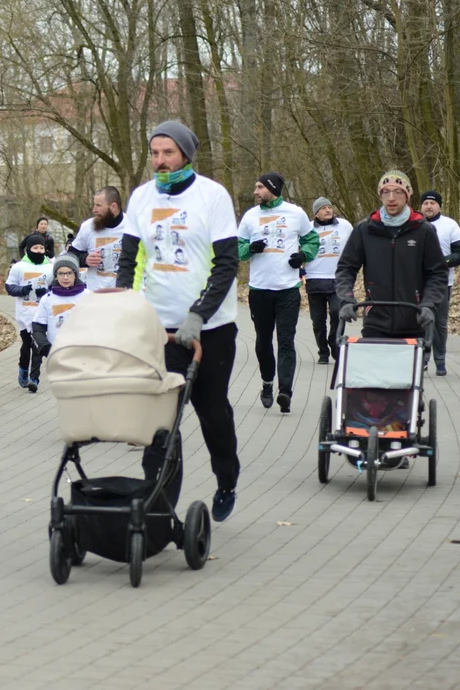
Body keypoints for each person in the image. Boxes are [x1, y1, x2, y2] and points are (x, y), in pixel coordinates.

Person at [116, 119, 241, 523]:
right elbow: (130, 259)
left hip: (210, 328)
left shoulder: (212, 196)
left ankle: (226, 478)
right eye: (154, 153)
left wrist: (199, 313)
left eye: (168, 152)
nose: (160, 161)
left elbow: (226, 263)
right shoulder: (141, 198)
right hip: (159, 327)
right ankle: (159, 502)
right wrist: (124, 306)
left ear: (186, 154)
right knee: (160, 421)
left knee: (211, 410)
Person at [237, 172, 319, 413]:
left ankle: (285, 392)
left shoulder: (296, 213)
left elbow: (312, 239)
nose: (255, 191)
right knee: (263, 343)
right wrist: (249, 248)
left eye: (260, 187)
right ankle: (267, 383)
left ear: (272, 188)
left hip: (287, 290)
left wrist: (303, 256)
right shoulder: (250, 216)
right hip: (260, 290)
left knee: (285, 341)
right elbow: (237, 246)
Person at [335, 170, 447, 342]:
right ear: (380, 195)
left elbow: (437, 273)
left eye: (398, 191)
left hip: (414, 320)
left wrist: (428, 305)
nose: (391, 197)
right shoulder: (365, 230)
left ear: (408, 195)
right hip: (376, 321)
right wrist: (346, 299)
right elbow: (346, 268)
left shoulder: (423, 230)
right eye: (386, 192)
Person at [420, 191, 460, 376]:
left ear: (439, 206)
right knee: (420, 321)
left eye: (432, 203)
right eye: (425, 203)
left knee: (440, 324)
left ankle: (440, 361)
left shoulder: (450, 225)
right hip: (417, 283)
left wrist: (442, 262)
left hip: (442, 282)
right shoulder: (414, 224)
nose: (429, 206)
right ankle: (422, 360)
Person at [304, 197, 353, 364]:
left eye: (329, 207)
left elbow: (355, 246)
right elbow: (297, 248)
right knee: (318, 319)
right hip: (315, 278)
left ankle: (334, 341)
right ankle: (322, 351)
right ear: (316, 212)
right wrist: (299, 268)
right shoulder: (308, 228)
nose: (328, 210)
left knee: (337, 312)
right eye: (323, 208)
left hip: (338, 278)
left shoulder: (345, 225)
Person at [6, 233, 54, 392]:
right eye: (35, 247)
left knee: (38, 345)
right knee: (27, 344)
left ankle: (34, 378)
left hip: (42, 313)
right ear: (28, 249)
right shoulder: (19, 267)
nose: (39, 251)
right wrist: (21, 290)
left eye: (41, 248)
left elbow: (56, 287)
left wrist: (46, 292)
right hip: (25, 312)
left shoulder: (50, 267)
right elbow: (9, 286)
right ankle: (23, 370)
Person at [31, 254, 90, 381]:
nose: (65, 277)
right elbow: (37, 328)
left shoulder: (88, 297)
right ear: (55, 275)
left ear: (75, 274)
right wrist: (46, 348)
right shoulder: (47, 299)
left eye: (69, 273)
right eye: (60, 273)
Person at [68, 186, 128, 291]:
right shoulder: (88, 227)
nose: (94, 210)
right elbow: (71, 255)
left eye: (98, 206)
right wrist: (85, 259)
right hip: (96, 294)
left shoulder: (133, 226)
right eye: (94, 205)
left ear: (113, 207)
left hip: (124, 293)